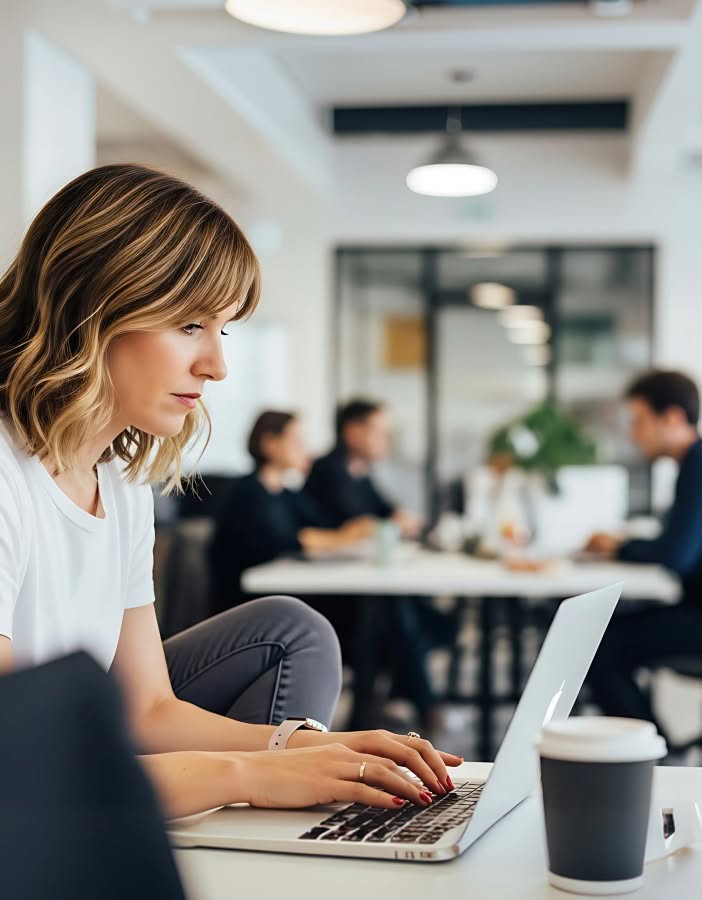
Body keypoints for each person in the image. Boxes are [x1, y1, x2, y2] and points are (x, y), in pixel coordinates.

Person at [0, 164, 462, 839]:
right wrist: (251, 777)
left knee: (292, 628)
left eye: (222, 330)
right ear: (92, 307)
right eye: (189, 324)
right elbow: (17, 762)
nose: (216, 365)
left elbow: (148, 709)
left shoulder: (122, 483)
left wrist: (311, 751)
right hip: (25, 785)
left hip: (68, 754)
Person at [584, 370, 702, 732]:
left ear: (673, 418)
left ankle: (649, 753)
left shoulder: (698, 462)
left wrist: (621, 546)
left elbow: (676, 553)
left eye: (639, 422)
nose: (633, 434)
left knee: (597, 646)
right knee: (609, 633)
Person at [209, 409, 373, 611]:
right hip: (246, 604)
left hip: (278, 593)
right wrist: (342, 536)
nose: (304, 449)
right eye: (297, 441)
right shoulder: (248, 493)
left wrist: (347, 531)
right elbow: (290, 541)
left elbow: (326, 525)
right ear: (270, 443)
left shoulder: (286, 494)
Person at [304, 398, 422, 537]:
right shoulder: (327, 470)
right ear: (352, 431)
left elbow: (383, 509)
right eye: (379, 433)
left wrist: (400, 516)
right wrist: (392, 521)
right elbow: (355, 520)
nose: (386, 441)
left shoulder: (360, 471)